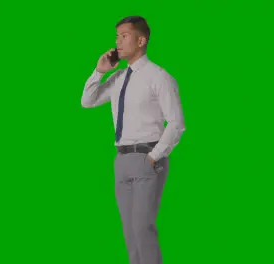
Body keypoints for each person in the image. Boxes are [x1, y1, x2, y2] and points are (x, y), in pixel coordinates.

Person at [81, 15, 186, 264]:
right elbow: (88, 101)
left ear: (141, 40)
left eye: (124, 36)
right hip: (122, 160)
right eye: (117, 37)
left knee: (142, 228)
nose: (118, 42)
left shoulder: (159, 77)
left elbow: (177, 123)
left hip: (148, 158)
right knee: (130, 233)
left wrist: (154, 156)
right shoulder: (118, 79)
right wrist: (99, 71)